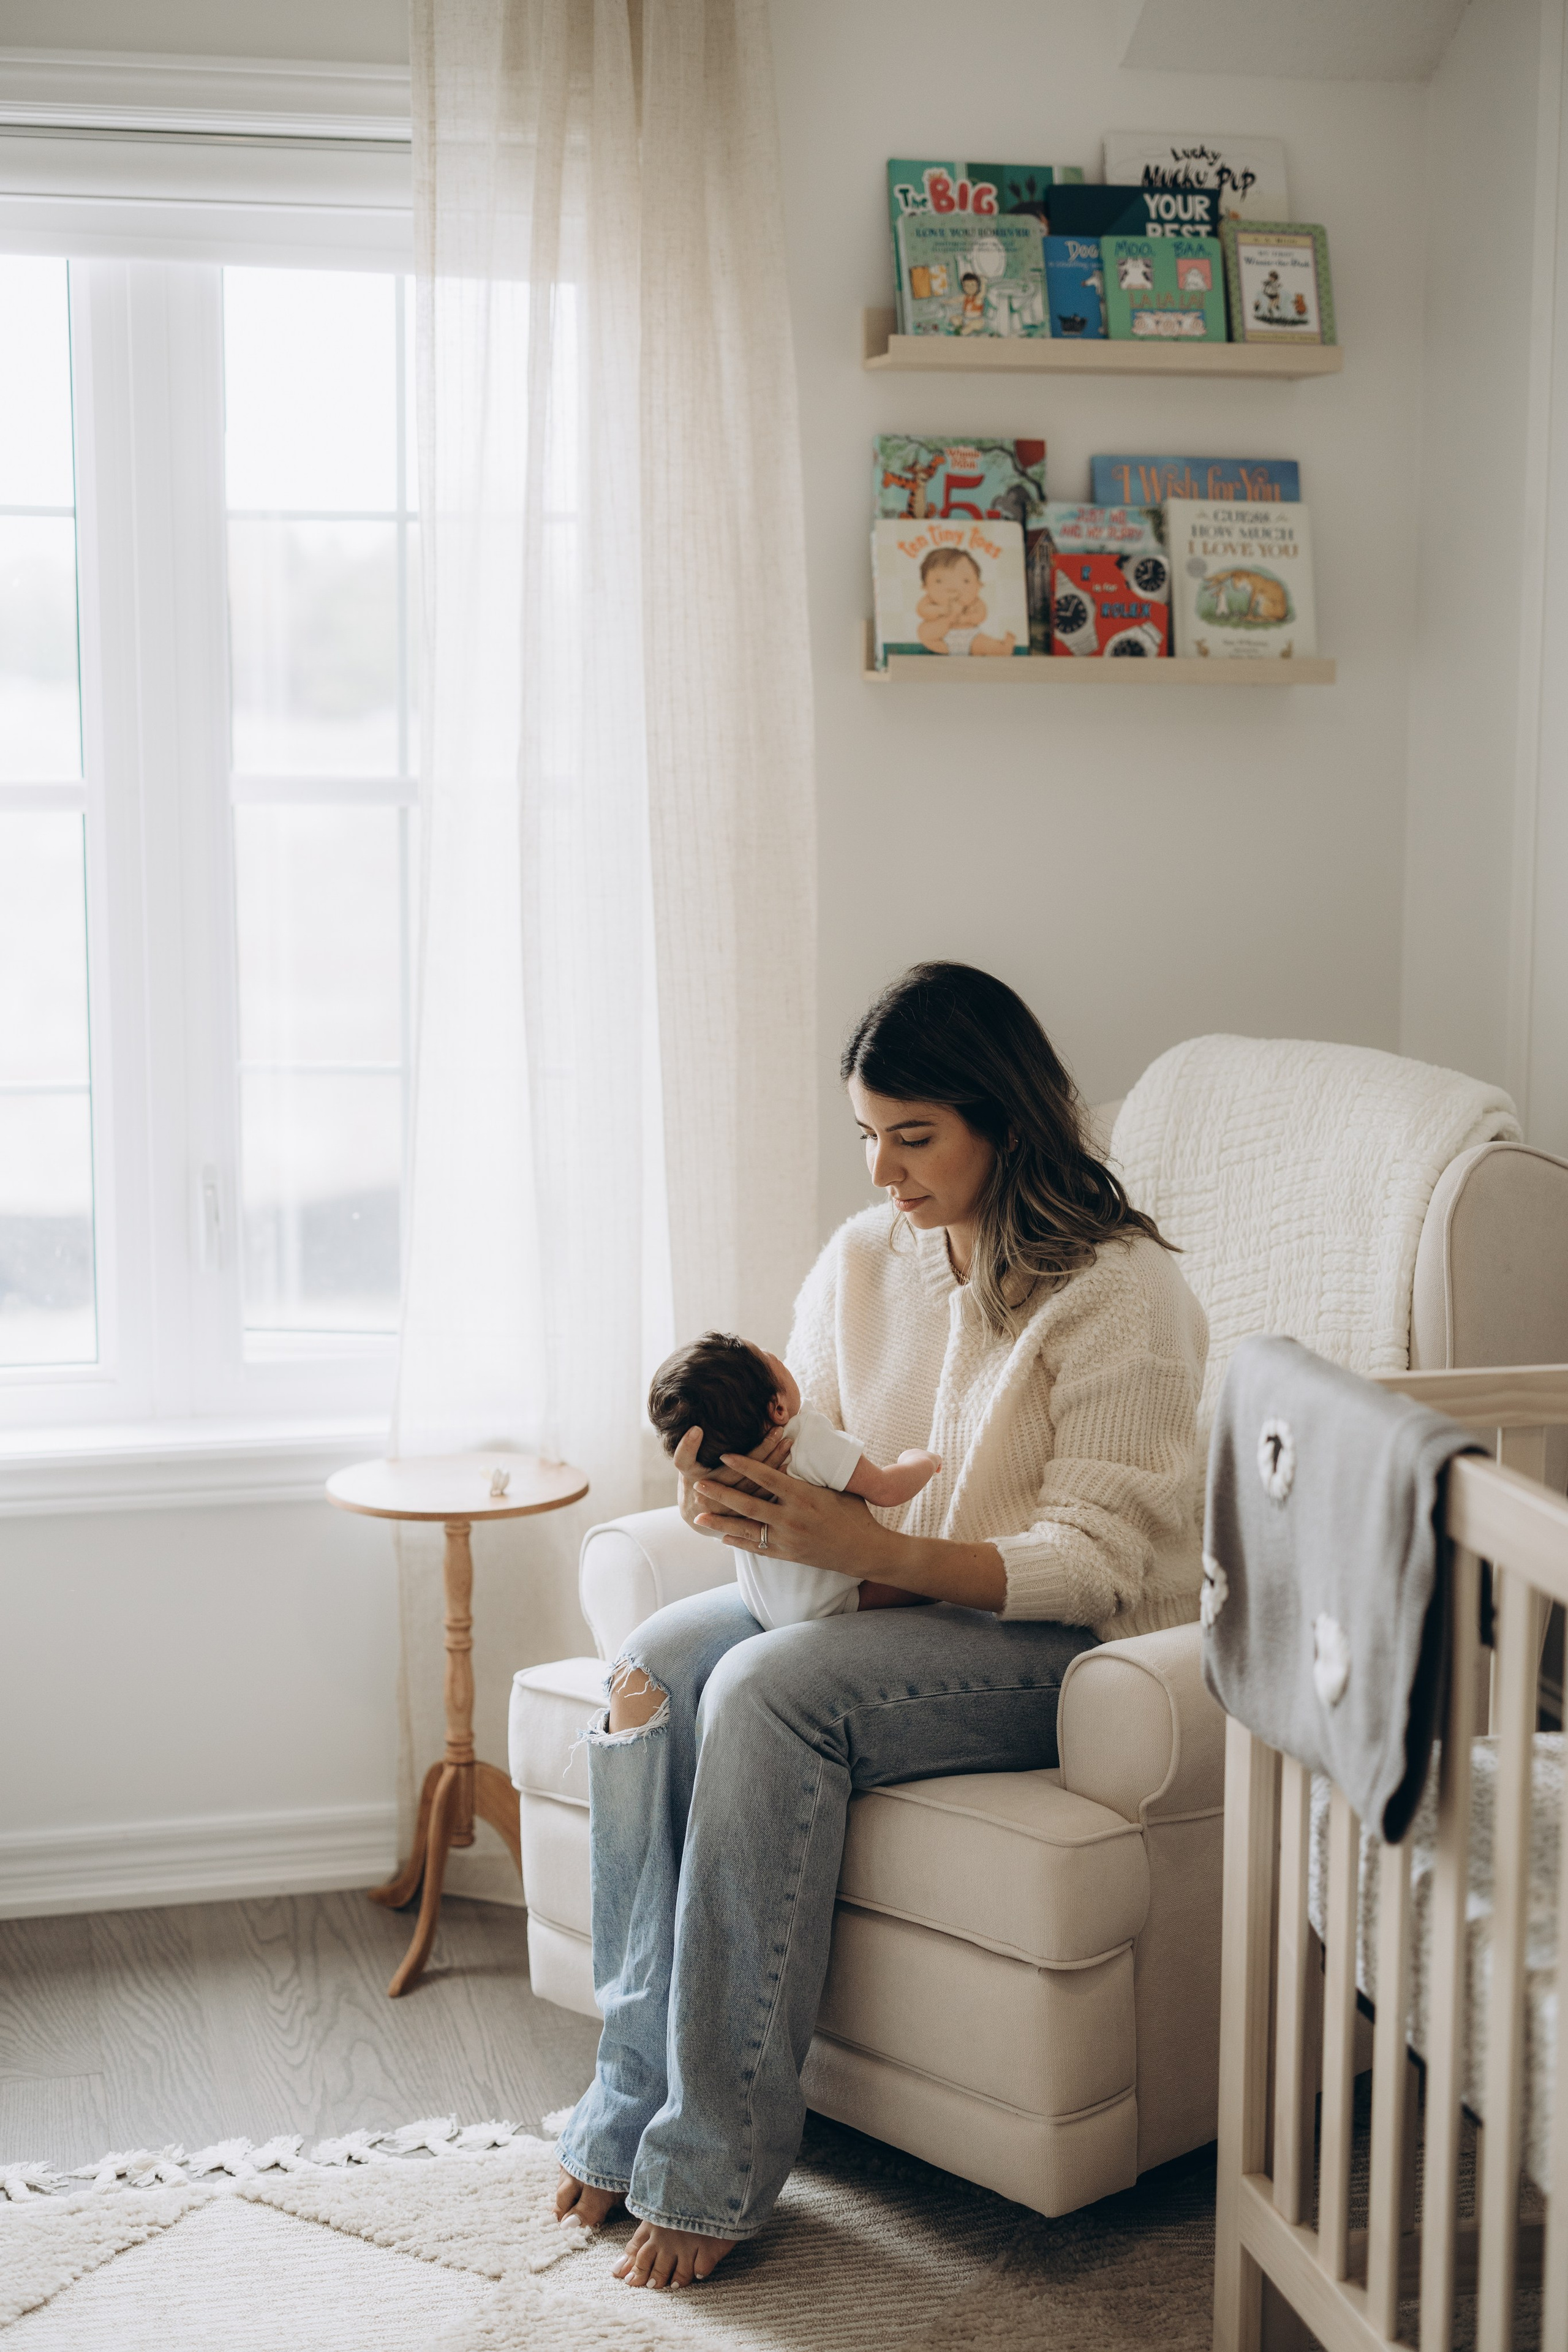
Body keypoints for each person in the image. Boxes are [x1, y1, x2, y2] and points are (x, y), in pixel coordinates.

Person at [555, 962, 1208, 2290]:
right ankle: (624, 2106)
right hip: (878, 1598)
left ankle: (715, 2162)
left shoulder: (1120, 1294)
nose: (880, 1172)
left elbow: (1096, 1562)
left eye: (912, 1138)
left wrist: (876, 1550)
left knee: (769, 1690)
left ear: (1004, 1120)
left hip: (1068, 1653)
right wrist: (734, 1484)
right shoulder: (866, 1259)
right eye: (867, 1133)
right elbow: (806, 1447)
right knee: (658, 1671)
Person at [646, 1329, 941, 1629]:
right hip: (827, 1608)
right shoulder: (807, 1440)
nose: (773, 1352)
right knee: (919, 1584)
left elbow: (710, 1526)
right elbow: (886, 1490)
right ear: (778, 1409)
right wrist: (921, 1462)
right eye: (767, 1356)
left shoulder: (723, 1477)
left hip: (762, 1608)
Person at [914, 545, 1015, 658]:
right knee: (924, 631)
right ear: (925, 587)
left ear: (979, 585)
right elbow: (923, 611)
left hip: (970, 636)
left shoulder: (975, 602)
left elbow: (981, 615)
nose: (953, 588)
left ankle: (1001, 649)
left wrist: (967, 618)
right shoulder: (929, 600)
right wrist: (942, 610)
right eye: (939, 581)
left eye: (966, 581)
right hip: (941, 639)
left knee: (982, 644)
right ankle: (948, 628)